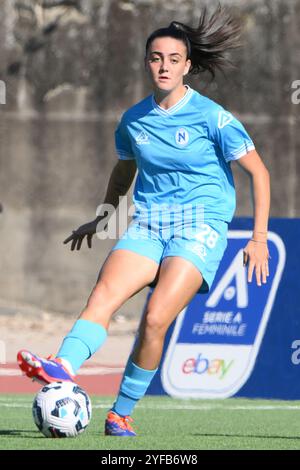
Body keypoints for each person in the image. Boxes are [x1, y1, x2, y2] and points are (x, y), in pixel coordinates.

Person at [17, 6, 270, 437]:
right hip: (150, 223)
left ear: (188, 66)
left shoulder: (213, 118)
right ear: (147, 61)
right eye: (156, 58)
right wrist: (102, 217)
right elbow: (123, 171)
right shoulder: (134, 120)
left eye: (174, 59)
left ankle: (121, 412)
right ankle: (62, 365)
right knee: (105, 293)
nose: (164, 66)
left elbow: (259, 173)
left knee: (154, 318)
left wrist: (259, 238)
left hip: (200, 225)